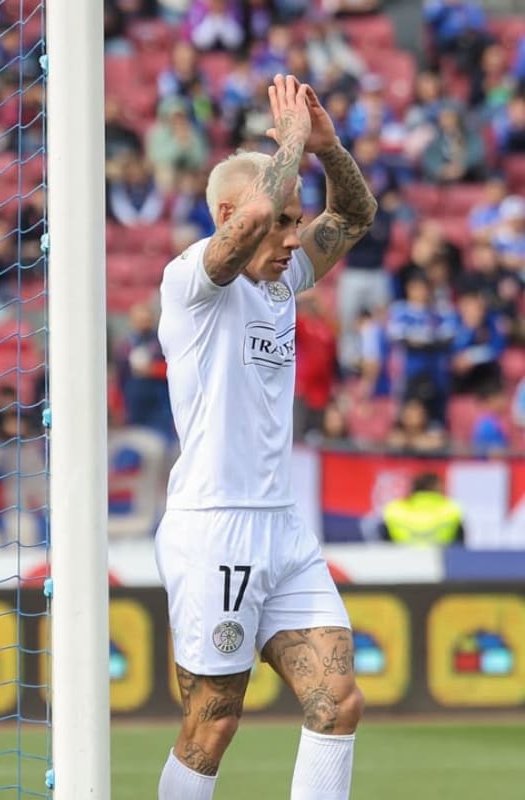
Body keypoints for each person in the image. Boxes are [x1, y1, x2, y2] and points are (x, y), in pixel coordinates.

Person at [155, 75, 377, 799]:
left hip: (282, 527)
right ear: (228, 214)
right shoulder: (192, 283)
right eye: (284, 222)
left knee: (336, 701)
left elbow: (357, 212)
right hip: (215, 528)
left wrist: (327, 147)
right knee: (213, 722)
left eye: (295, 223)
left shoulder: (280, 280)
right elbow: (251, 221)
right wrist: (283, 143)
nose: (292, 238)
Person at [379, 472, 465, 546]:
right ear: (438, 489)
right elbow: (460, 545)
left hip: (400, 560)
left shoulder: (394, 511)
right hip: (441, 559)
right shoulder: (451, 510)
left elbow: (385, 544)